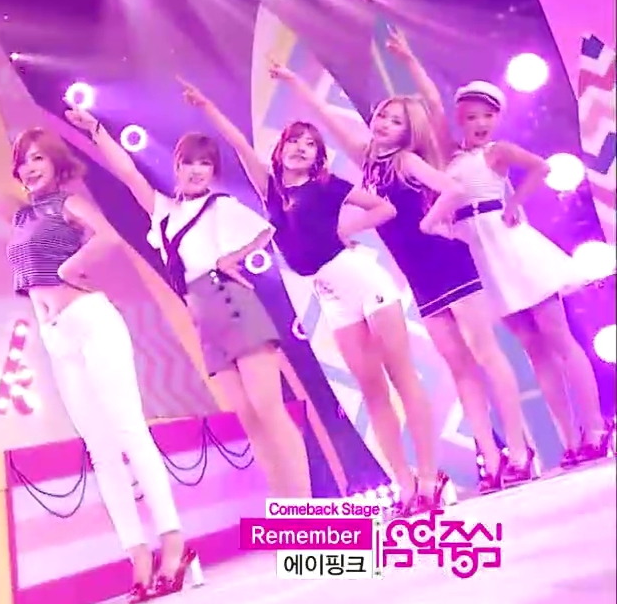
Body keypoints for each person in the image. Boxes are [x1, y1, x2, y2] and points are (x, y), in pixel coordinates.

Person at [0, 103, 201, 604]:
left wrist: (71, 267)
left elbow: (110, 237)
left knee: (128, 432)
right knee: (99, 448)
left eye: (38, 158)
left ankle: (174, 545)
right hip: (58, 337)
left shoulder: (67, 204)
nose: (29, 167)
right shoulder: (19, 214)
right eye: (23, 160)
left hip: (91, 321)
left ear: (55, 164)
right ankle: (138, 557)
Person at [177, 77, 447, 515]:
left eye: (310, 144)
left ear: (319, 156)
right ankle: (404, 485)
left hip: (361, 280)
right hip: (329, 294)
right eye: (294, 141)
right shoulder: (271, 189)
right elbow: (238, 143)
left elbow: (385, 208)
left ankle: (430, 479)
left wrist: (346, 228)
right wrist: (207, 106)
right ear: (280, 149)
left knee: (402, 375)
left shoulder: (329, 185)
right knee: (372, 391)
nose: (301, 148)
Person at [269, 50, 535, 492]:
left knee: (485, 353)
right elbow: (327, 119)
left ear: (408, 131)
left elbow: (452, 189)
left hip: (448, 263)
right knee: (458, 366)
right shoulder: (368, 162)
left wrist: (431, 222)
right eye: (381, 116)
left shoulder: (408, 161)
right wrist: (294, 83)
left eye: (395, 121)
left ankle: (521, 453)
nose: (383, 124)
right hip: (418, 275)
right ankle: (490, 456)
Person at [62, 105, 312, 500]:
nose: (197, 171)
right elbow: (128, 173)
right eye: (189, 162)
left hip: (230, 300)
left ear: (214, 171)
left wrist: (232, 259)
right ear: (176, 166)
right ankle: (285, 506)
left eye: (205, 164)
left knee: (269, 410)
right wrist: (96, 130)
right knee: (249, 419)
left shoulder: (221, 205)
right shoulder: (165, 212)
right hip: (202, 316)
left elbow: (266, 231)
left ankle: (306, 509)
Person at [409, 80, 611, 468]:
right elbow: (433, 103)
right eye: (472, 117)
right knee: (534, 350)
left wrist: (514, 202)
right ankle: (570, 440)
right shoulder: (450, 155)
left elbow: (541, 167)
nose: (481, 123)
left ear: (497, 118)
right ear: (460, 119)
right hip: (482, 256)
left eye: (488, 115)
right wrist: (408, 61)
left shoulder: (497, 151)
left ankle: (596, 429)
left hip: (513, 247)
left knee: (559, 338)